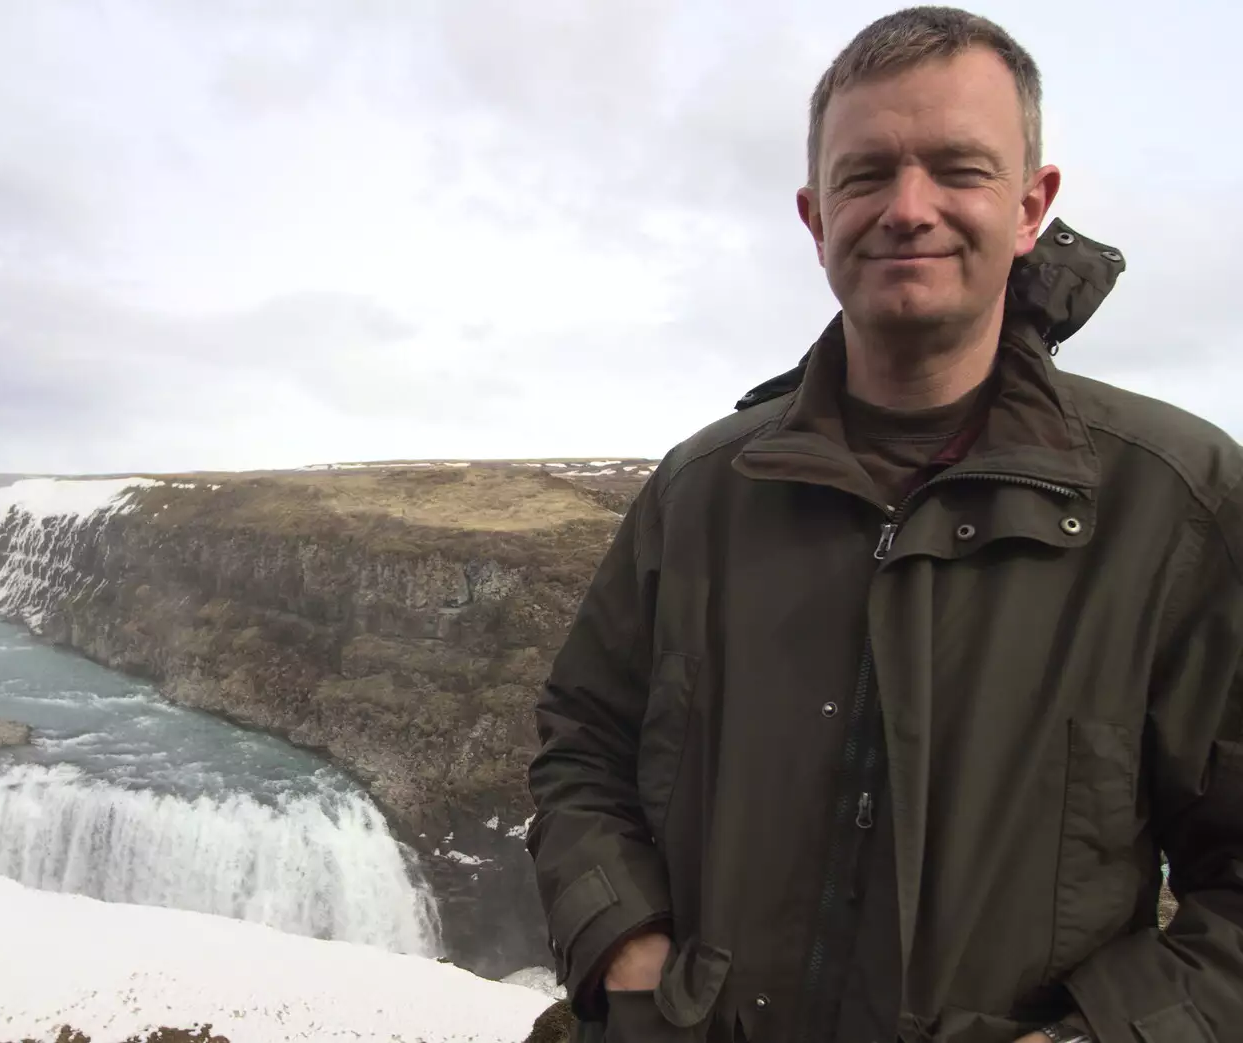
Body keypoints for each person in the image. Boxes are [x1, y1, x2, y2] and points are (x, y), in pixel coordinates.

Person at [525, 7, 1243, 1043]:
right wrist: (629, 960)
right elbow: (581, 743)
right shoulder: (699, 493)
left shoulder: (1179, 504)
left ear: (1032, 204)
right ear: (817, 217)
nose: (909, 208)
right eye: (867, 174)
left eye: (958, 168)